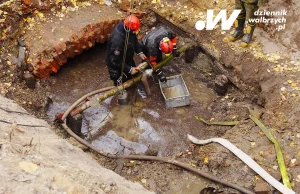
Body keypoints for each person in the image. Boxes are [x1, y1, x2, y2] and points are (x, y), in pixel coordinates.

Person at [106, 14, 147, 86]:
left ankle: (133, 82)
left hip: (127, 58)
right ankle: (121, 93)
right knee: (120, 82)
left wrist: (140, 52)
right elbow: (115, 60)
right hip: (116, 64)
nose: (135, 32)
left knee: (135, 73)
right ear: (128, 29)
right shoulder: (117, 41)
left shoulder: (129, 29)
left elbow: (134, 41)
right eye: (134, 31)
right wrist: (129, 69)